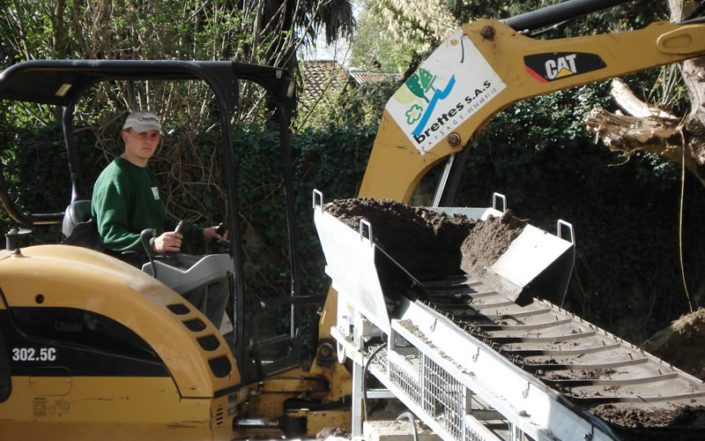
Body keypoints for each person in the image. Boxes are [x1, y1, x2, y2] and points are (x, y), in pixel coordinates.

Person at [91, 111, 228, 327]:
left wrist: (202, 233)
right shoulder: (115, 177)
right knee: (194, 283)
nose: (148, 140)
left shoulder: (146, 174)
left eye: (154, 135)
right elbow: (109, 235)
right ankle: (188, 349)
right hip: (132, 261)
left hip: (155, 256)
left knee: (216, 277)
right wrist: (153, 243)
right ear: (126, 136)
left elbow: (162, 222)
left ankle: (208, 345)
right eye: (142, 134)